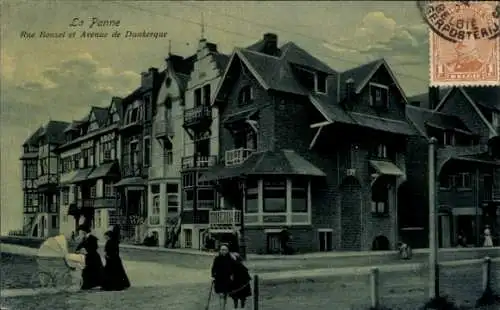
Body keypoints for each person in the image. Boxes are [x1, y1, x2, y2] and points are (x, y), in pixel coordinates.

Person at [102, 225, 131, 291]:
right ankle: (120, 285)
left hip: (111, 259)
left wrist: (107, 256)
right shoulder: (115, 240)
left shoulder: (110, 242)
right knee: (118, 272)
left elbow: (108, 251)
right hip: (115, 259)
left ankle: (110, 286)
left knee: (110, 272)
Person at [75, 224, 103, 290]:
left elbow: (95, 247)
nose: (81, 232)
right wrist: (77, 250)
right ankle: (87, 285)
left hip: (94, 258)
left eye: (81, 231)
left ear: (85, 231)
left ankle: (93, 285)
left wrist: (87, 251)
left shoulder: (93, 238)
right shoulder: (84, 238)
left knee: (95, 271)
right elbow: (80, 246)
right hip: (87, 258)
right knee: (86, 271)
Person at [211, 244, 235, 308]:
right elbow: (213, 268)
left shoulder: (231, 259)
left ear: (228, 250)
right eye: (222, 250)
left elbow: (234, 269)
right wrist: (213, 276)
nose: (223, 251)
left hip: (227, 280)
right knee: (221, 295)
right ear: (220, 250)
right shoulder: (217, 259)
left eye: (225, 250)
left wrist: (232, 275)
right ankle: (221, 308)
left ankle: (223, 307)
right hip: (219, 279)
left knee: (225, 295)